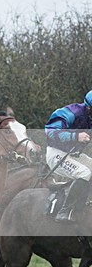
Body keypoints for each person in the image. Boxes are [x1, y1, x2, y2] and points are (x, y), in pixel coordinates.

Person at [45, 90, 92, 222]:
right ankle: (64, 211)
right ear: (89, 108)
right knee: (84, 173)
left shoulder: (90, 117)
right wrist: (75, 136)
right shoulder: (72, 112)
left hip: (72, 155)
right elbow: (50, 131)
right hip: (56, 153)